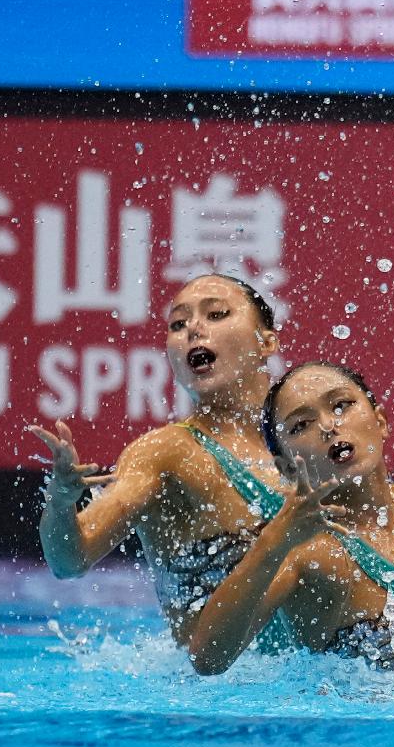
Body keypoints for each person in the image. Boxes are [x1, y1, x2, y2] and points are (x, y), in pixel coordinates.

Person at [33, 275, 300, 653]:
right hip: (217, 699)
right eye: (178, 324)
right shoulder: (165, 454)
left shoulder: (309, 445)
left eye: (217, 313)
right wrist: (61, 501)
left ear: (267, 341)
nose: (193, 328)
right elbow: (70, 560)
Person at [186, 362, 394, 678]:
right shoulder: (312, 555)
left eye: (342, 405)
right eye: (301, 425)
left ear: (380, 420)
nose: (328, 425)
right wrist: (274, 539)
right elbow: (208, 660)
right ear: (287, 468)